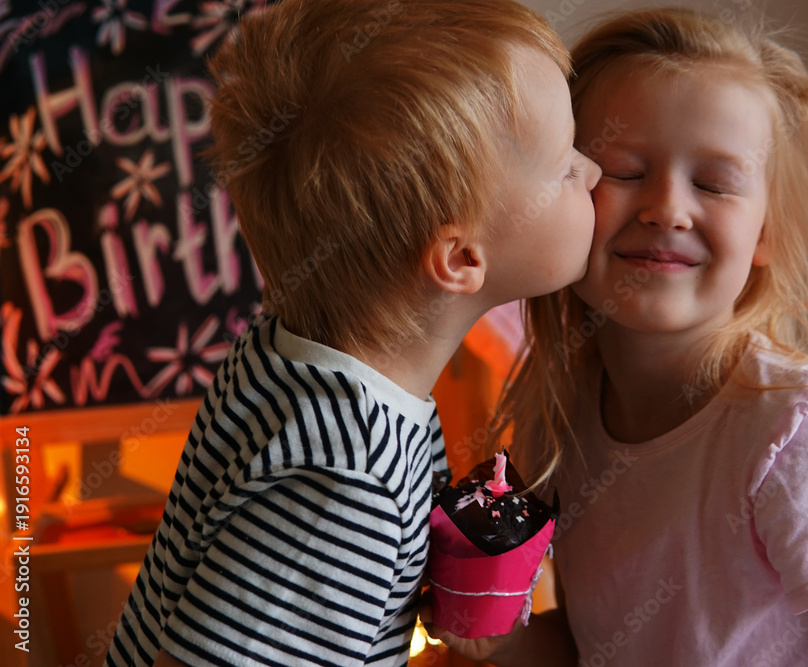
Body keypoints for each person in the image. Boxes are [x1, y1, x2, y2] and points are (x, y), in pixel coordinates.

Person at [424, 7, 808, 666]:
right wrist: (503, 640)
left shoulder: (803, 436)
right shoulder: (561, 415)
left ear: (767, 232)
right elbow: (594, 648)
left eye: (713, 183)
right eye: (624, 171)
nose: (667, 209)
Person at [103, 0, 601, 665]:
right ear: (460, 259)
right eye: (566, 166)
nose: (593, 172)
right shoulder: (346, 477)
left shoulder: (295, 352)